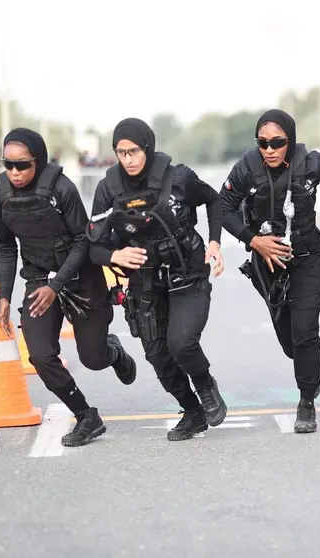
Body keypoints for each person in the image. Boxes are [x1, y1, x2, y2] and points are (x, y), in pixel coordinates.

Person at [0, 129, 138, 446]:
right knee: (41, 355)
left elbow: (84, 240)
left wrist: (57, 285)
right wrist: (4, 296)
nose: (15, 172)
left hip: (80, 278)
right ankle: (86, 416)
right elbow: (6, 249)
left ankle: (113, 353)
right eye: (8, 165)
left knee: (93, 359)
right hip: (40, 279)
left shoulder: (62, 189)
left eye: (22, 165)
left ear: (38, 161)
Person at [88, 118, 227, 441]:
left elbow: (214, 200)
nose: (128, 159)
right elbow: (93, 244)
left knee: (181, 342)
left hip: (187, 273)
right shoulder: (109, 188)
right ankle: (192, 412)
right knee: (158, 355)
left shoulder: (177, 177)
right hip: (145, 281)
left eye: (134, 151)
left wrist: (215, 242)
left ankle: (205, 385)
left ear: (147, 149)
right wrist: (113, 256)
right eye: (121, 152)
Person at [220, 109, 320, 434]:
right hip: (268, 264)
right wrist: (254, 241)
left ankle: (306, 401)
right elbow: (221, 208)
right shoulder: (247, 168)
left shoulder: (313, 162)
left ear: (289, 141)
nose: (270, 149)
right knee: (289, 339)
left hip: (309, 257)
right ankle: (308, 372)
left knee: (305, 331)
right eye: (263, 142)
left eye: (277, 142)